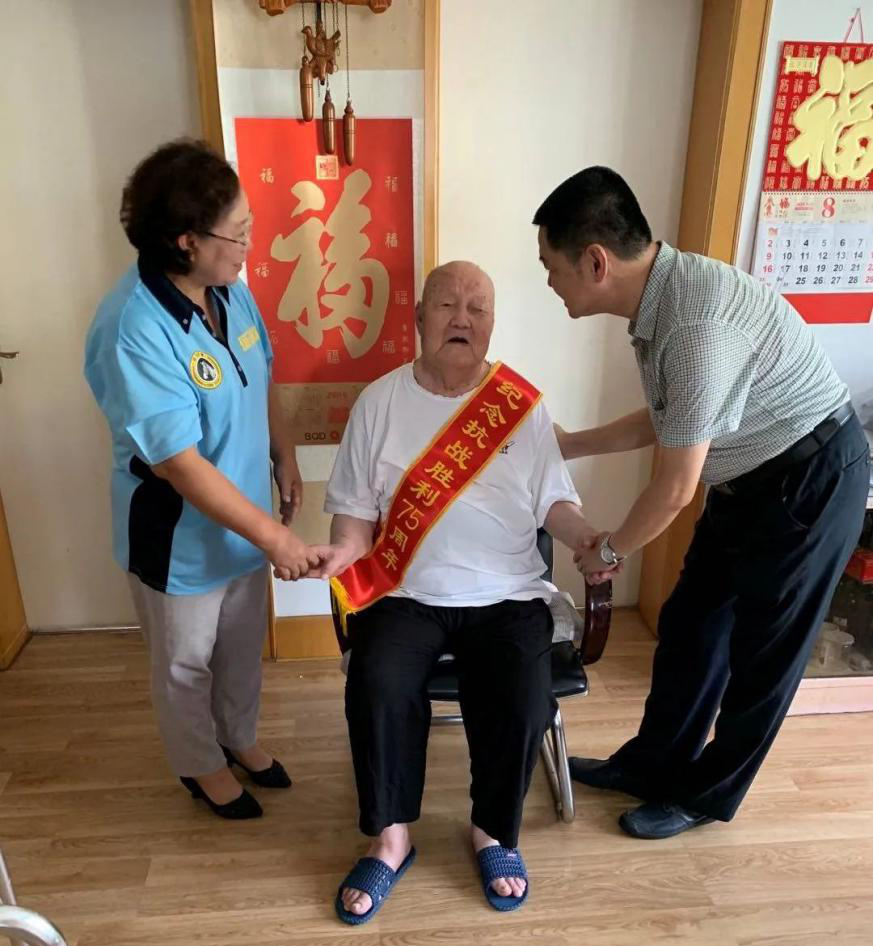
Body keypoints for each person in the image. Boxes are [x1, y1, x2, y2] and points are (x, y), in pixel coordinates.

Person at [533, 166, 870, 839]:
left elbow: (674, 488)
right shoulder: (665, 296)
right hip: (748, 478)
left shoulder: (693, 323)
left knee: (763, 655)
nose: (548, 282)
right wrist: (571, 445)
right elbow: (675, 415)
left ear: (595, 262)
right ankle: (653, 763)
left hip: (807, 481)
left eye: (551, 267)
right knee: (691, 625)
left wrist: (608, 552)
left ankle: (706, 795)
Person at [308, 261, 601, 922]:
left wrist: (585, 536)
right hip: (406, 593)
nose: (462, 319)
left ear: (492, 324)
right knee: (377, 684)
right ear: (419, 318)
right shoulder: (378, 402)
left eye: (477, 307)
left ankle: (493, 833)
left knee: (522, 698)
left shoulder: (519, 405)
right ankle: (390, 840)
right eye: (446, 305)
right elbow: (353, 518)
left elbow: (554, 503)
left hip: (507, 593)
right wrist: (338, 555)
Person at [84, 139, 317, 819]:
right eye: (237, 233)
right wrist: (274, 536)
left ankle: (238, 738)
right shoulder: (133, 327)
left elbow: (259, 372)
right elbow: (178, 463)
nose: (250, 244)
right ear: (186, 241)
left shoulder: (230, 292)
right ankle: (200, 764)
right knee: (186, 662)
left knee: (240, 649)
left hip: (243, 522)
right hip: (178, 536)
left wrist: (283, 453)